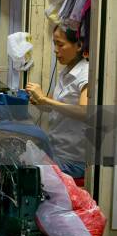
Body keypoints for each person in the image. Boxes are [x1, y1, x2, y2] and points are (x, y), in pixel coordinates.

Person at [25, 25, 88, 178]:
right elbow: (55, 105)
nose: (55, 49)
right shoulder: (65, 72)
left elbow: (85, 111)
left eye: (60, 44)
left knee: (25, 171)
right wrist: (39, 102)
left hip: (73, 160)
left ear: (79, 45)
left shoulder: (86, 73)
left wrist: (45, 99)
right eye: (54, 44)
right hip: (56, 149)